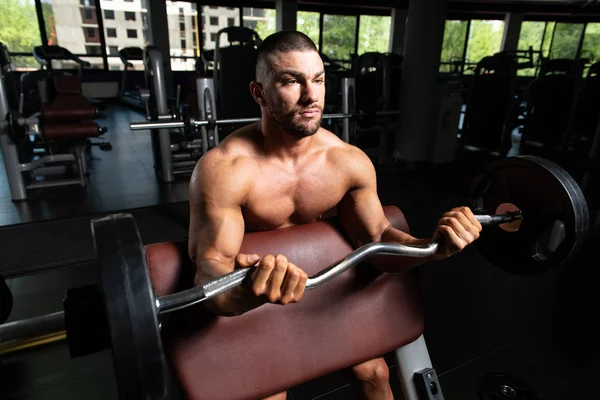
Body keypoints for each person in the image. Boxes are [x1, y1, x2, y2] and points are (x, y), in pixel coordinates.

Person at [189, 31, 482, 400]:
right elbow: (210, 269)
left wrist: (432, 248)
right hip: (256, 302)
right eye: (291, 81)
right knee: (269, 394)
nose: (311, 96)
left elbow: (377, 238)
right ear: (259, 93)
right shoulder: (224, 170)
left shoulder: (346, 162)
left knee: (374, 372)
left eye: (318, 80)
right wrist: (248, 291)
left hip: (325, 294)